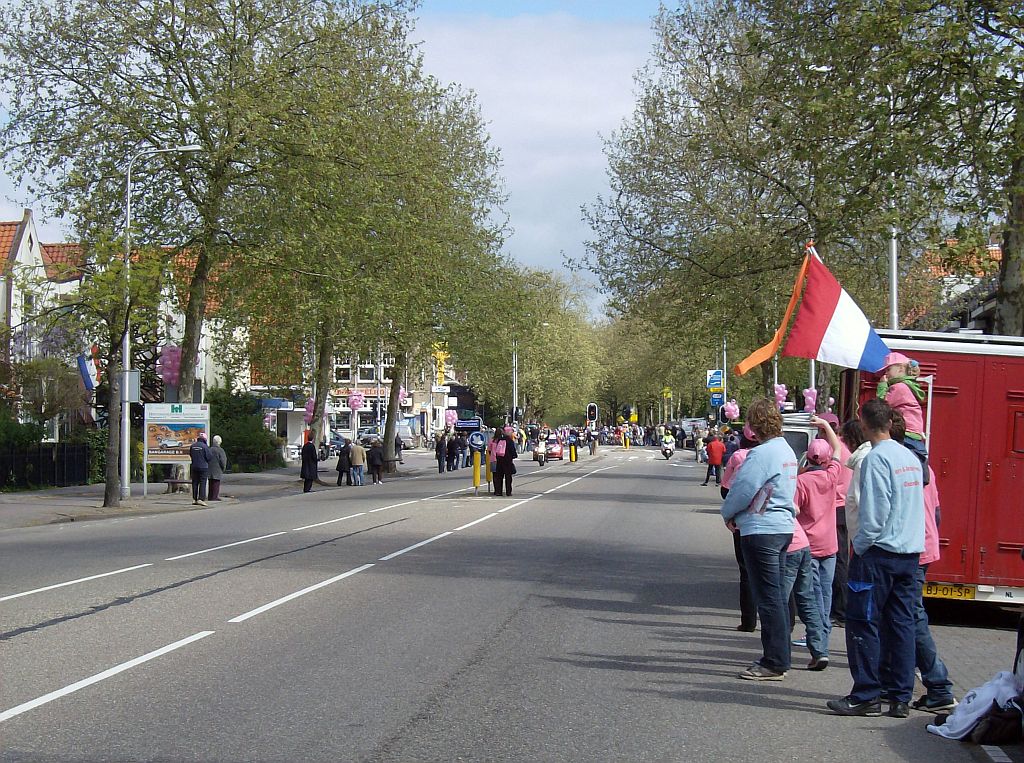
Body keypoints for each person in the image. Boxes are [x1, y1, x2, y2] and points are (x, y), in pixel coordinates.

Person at [827, 398, 924, 718]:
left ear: (864, 423)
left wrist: (862, 546)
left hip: (879, 554)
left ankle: (866, 693)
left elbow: (875, 511)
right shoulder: (908, 456)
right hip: (909, 553)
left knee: (862, 623)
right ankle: (899, 696)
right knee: (901, 625)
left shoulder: (876, 459)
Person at [720, 398, 798, 681]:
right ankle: (780, 654)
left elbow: (741, 490)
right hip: (781, 527)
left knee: (767, 598)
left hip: (761, 528)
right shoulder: (786, 449)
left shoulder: (761, 454)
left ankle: (774, 660)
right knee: (776, 595)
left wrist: (727, 513)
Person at [885, 411, 957, 713]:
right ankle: (906, 680)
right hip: (923, 544)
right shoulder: (924, 468)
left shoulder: (895, 465)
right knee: (906, 615)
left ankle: (938, 683)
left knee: (910, 617)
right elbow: (937, 511)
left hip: (908, 547)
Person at [792, 416, 843, 656]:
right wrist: (825, 426)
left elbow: (794, 510)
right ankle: (824, 630)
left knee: (812, 593)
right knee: (827, 589)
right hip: (830, 544)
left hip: (809, 544)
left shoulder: (801, 482)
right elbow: (838, 451)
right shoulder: (832, 476)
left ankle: (818, 633)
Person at [721, 424, 758, 632]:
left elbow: (726, 488)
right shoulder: (774, 455)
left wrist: (729, 513)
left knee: (746, 571)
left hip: (742, 521)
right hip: (772, 522)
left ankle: (749, 620)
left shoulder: (738, 457)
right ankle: (786, 622)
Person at [833, 418, 865, 627]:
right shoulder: (855, 454)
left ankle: (839, 608)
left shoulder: (839, 451)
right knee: (843, 559)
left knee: (838, 560)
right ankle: (841, 607)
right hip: (846, 508)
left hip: (837, 508)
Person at [877, 351, 928, 478]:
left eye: (889, 369)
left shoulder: (899, 387)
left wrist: (882, 386)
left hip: (905, 432)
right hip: (914, 433)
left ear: (900, 369)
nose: (886, 374)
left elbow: (881, 406)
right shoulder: (910, 386)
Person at [491, 428, 518, 497]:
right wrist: (514, 456)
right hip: (507, 461)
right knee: (508, 477)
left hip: (499, 460)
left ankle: (498, 492)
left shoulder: (499, 440)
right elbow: (512, 450)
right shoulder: (509, 440)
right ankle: (508, 492)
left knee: (499, 477)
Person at [189, 432, 213, 506]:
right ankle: (201, 499)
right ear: (205, 439)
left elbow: (191, 455)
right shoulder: (205, 447)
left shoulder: (192, 446)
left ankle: (194, 499)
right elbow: (209, 457)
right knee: (202, 483)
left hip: (194, 466)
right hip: (203, 467)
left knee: (195, 483)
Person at [208, 434, 228, 501]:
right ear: (220, 442)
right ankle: (215, 497)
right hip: (217, 469)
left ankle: (210, 496)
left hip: (209, 469)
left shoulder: (209, 449)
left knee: (210, 483)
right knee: (216, 483)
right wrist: (223, 468)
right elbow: (223, 460)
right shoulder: (220, 450)